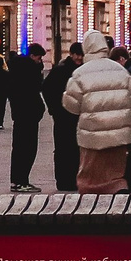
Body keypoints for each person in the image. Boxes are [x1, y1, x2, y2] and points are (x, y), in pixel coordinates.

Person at [62, 30, 131, 192]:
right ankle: (118, 196)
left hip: (91, 136)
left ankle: (91, 203)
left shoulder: (80, 74)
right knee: (116, 175)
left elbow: (71, 106)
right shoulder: (121, 71)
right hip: (119, 136)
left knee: (90, 179)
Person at [6, 43, 47, 191]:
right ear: (32, 56)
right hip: (29, 114)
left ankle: (16, 181)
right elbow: (36, 89)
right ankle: (22, 181)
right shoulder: (30, 71)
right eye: (39, 58)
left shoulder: (15, 71)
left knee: (18, 148)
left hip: (19, 115)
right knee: (28, 149)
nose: (40, 61)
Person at [43, 44, 83, 193]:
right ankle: (63, 181)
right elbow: (46, 88)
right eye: (77, 54)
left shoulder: (81, 70)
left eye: (81, 55)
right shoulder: (61, 70)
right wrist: (55, 110)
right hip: (63, 117)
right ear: (71, 54)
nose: (79, 58)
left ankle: (75, 179)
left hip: (78, 117)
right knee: (62, 149)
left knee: (76, 149)